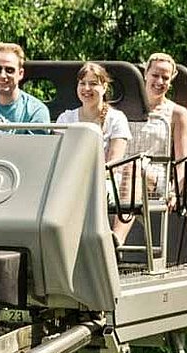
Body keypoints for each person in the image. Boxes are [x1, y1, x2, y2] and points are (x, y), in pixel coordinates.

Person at [55, 62, 132, 246]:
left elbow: (115, 161)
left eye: (93, 83)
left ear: (104, 87)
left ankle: (108, 240)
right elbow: (58, 156)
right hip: (69, 180)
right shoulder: (66, 119)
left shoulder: (116, 119)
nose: (87, 88)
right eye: (82, 83)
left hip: (106, 181)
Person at [135, 52, 187, 206]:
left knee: (138, 172)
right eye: (155, 75)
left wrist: (175, 192)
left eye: (165, 78)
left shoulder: (178, 113)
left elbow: (183, 160)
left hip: (153, 176)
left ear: (171, 79)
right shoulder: (126, 108)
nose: (159, 81)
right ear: (146, 74)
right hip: (122, 174)